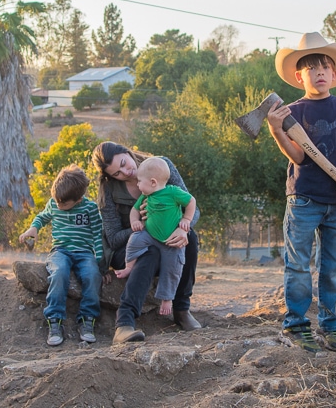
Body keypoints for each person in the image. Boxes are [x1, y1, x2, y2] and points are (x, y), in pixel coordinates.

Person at [266, 31, 336, 354]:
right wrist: (276, 131)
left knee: (332, 266)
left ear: (334, 74)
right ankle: (296, 325)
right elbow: (298, 157)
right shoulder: (293, 112)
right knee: (297, 265)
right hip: (304, 199)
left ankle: (331, 325)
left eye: (325, 67)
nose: (319, 73)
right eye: (312, 68)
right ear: (300, 76)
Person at [91, 141, 202, 343]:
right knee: (149, 252)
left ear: (127, 151)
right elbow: (114, 238)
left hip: (165, 236)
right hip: (129, 246)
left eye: (124, 163)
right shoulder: (109, 190)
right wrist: (143, 223)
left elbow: (191, 206)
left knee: (190, 238)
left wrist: (182, 226)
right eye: (117, 173)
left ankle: (181, 310)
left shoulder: (160, 166)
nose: (126, 172)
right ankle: (124, 323)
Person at [19, 165, 105, 347]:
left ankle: (87, 319)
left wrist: (100, 262)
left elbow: (98, 234)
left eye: (63, 204)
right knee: (59, 273)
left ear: (79, 198)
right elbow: (42, 217)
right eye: (57, 201)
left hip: (84, 252)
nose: (59, 205)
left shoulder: (89, 209)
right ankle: (55, 320)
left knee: (92, 275)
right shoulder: (53, 203)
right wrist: (33, 228)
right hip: (60, 251)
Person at [115, 157, 196, 318]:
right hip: (149, 236)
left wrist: (185, 222)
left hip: (170, 241)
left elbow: (191, 201)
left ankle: (168, 300)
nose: (137, 185)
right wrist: (135, 221)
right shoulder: (146, 196)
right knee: (135, 240)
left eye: (139, 181)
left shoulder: (173, 192)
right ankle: (129, 266)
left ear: (153, 182)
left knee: (172, 268)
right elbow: (134, 210)